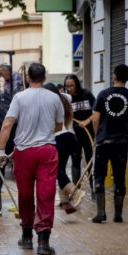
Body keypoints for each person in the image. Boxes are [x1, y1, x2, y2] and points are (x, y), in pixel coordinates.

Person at [0, 63, 64, 255]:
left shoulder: (19, 97)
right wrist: (43, 131)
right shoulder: (54, 98)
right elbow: (58, 125)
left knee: (25, 194)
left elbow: (7, 123)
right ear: (45, 77)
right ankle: (43, 241)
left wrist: (1, 151)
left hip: (24, 151)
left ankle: (26, 236)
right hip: (47, 150)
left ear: (28, 78)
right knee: (46, 194)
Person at [89, 64, 128, 223]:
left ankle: (101, 213)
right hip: (121, 142)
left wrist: (97, 137)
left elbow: (95, 118)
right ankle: (118, 215)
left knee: (99, 176)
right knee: (119, 177)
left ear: (114, 76)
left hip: (103, 141)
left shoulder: (103, 94)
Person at [45, 83, 80, 213]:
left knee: (54, 169)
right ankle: (65, 202)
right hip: (71, 138)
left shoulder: (50, 104)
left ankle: (75, 192)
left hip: (59, 138)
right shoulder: (66, 98)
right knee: (61, 168)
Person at [64, 74, 96, 189]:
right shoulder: (66, 99)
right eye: (67, 86)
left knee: (90, 159)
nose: (69, 89)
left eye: (72, 86)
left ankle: (93, 187)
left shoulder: (87, 94)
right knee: (75, 159)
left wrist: (87, 121)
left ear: (77, 84)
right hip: (74, 134)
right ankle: (76, 189)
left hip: (88, 131)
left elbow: (97, 112)